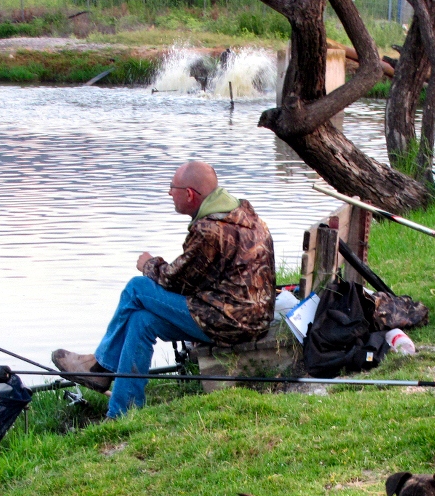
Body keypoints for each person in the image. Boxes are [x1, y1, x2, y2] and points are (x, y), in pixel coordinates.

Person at [52, 161, 275, 417]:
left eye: (172, 187)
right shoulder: (243, 213)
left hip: (229, 322)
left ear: (190, 194)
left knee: (137, 288)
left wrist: (148, 263)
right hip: (251, 317)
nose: (169, 193)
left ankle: (101, 366)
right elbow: (197, 278)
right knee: (141, 320)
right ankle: (122, 412)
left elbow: (174, 281)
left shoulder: (209, 230)